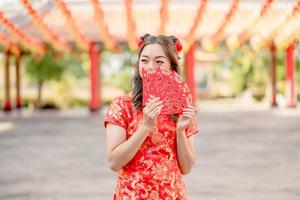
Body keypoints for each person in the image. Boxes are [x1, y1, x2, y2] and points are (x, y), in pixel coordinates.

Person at [104, 34, 199, 199]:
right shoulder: (122, 106)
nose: (150, 67)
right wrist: (145, 127)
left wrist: (180, 131)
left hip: (172, 195)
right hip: (132, 195)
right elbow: (114, 162)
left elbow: (187, 168)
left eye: (159, 61)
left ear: (172, 66)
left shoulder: (183, 108)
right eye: (144, 60)